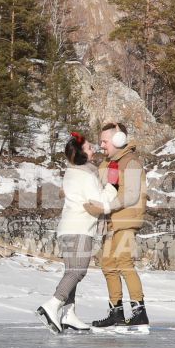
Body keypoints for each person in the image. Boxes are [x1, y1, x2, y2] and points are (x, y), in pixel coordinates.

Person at [38, 132, 116, 333]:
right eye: (89, 148)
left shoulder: (72, 172)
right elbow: (99, 203)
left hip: (68, 229)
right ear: (81, 153)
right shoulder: (86, 175)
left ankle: (69, 313)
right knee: (77, 271)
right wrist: (112, 186)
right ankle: (53, 304)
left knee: (71, 271)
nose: (93, 150)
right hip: (80, 229)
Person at [92, 122, 148, 329]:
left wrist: (106, 205)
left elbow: (131, 194)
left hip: (126, 219)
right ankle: (116, 311)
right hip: (111, 221)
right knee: (108, 264)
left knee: (123, 261)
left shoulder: (131, 162)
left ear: (118, 140)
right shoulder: (107, 163)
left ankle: (139, 311)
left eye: (104, 141)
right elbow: (98, 186)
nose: (102, 145)